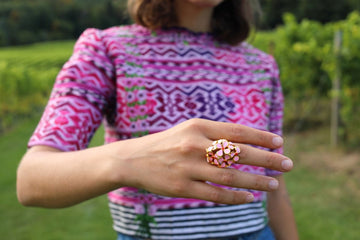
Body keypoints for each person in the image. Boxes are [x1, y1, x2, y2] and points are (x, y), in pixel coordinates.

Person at [16, 0, 298, 239]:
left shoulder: (261, 67)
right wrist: (130, 161)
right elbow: (32, 179)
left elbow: (274, 188)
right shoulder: (106, 50)